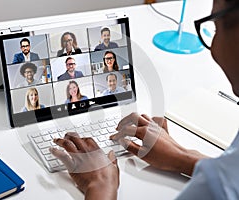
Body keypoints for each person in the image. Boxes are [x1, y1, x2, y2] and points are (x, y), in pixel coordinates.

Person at [50, 0, 239, 199]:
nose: (213, 49)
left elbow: (227, 180)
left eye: (216, 26)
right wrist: (183, 157)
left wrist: (100, 185)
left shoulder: (219, 187)